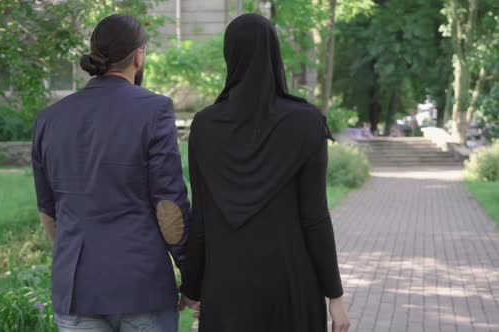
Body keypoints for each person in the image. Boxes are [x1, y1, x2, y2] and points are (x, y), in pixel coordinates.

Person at [180, 14, 351, 332]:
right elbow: (315, 216)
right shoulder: (306, 122)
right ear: (275, 53)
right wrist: (335, 296)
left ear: (230, 55)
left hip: (227, 288)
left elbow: (200, 216)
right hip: (292, 287)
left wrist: (191, 288)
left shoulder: (204, 127)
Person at [32, 14, 194, 332]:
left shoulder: (49, 119)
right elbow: (169, 207)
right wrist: (191, 274)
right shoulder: (155, 109)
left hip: (76, 289)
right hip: (140, 285)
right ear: (138, 55)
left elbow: (48, 214)